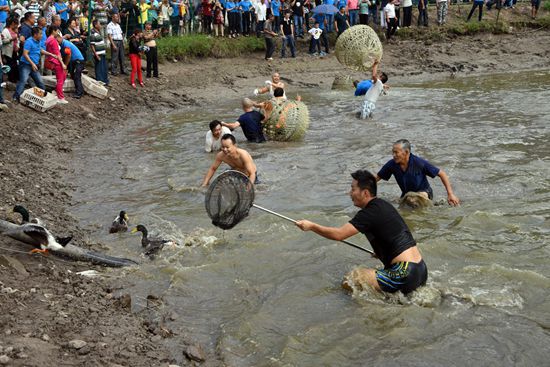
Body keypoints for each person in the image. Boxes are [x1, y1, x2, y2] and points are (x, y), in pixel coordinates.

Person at [295, 170, 427, 294]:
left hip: (404, 272)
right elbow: (396, 236)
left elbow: (339, 234)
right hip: (420, 269)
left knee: (351, 280)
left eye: (353, 189)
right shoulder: (383, 205)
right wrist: (381, 252)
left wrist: (311, 226)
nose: (350, 193)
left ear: (365, 193)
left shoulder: (368, 213)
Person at [376, 139, 460, 206]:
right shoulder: (392, 164)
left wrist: (450, 194)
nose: (393, 155)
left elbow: (442, 174)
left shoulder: (419, 163)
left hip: (424, 192)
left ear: (406, 152)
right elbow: (377, 177)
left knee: (412, 199)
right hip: (406, 195)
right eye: (393, 152)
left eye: (396, 152)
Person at [13, 26, 56, 102]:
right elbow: (25, 54)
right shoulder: (29, 42)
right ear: (35, 34)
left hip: (34, 65)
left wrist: (51, 54)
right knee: (23, 80)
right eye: (40, 34)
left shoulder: (38, 41)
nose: (42, 35)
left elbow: (40, 50)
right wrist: (32, 64)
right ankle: (16, 97)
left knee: (40, 82)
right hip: (25, 65)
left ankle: (43, 97)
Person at [45, 27, 68, 104]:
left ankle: (56, 91)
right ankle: (60, 97)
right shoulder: (53, 41)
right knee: (60, 79)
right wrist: (62, 63)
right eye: (57, 31)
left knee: (63, 76)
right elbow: (57, 54)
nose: (58, 33)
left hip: (52, 60)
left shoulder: (48, 39)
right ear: (53, 31)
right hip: (57, 61)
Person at [90, 19, 109, 86]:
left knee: (104, 67)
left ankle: (104, 81)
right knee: (99, 68)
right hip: (98, 54)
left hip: (102, 52)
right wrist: (96, 55)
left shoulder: (98, 32)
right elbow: (92, 45)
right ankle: (100, 81)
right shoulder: (93, 33)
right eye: (99, 24)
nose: (100, 25)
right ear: (95, 25)